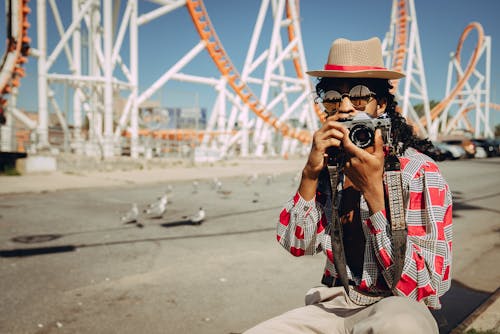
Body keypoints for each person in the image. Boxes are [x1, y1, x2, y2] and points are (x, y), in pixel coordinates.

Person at [244, 37, 452, 333]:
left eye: (358, 96)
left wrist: (374, 194)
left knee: (401, 327)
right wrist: (310, 174)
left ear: (381, 104)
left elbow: (426, 286)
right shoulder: (330, 170)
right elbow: (298, 246)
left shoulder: (419, 172)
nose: (344, 107)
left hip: (398, 304)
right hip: (335, 301)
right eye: (332, 97)